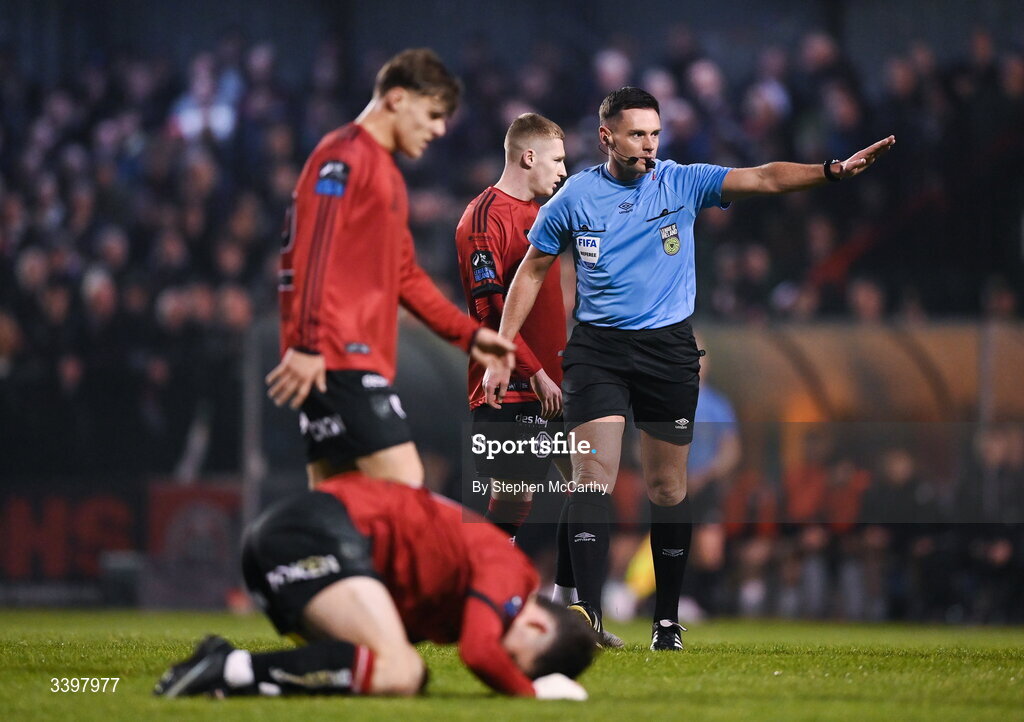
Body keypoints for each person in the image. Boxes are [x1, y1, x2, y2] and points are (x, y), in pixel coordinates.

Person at [489, 86, 894, 650]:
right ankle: (588, 613)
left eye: (655, 133)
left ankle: (666, 621)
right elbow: (531, 271)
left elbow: (766, 177)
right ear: (606, 137)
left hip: (668, 351)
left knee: (667, 487)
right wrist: (501, 349)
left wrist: (831, 171)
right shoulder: (576, 195)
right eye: (636, 134)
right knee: (592, 478)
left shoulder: (681, 180)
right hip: (598, 350)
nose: (649, 145)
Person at [265, 49, 515, 489]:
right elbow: (314, 248)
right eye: (434, 114)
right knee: (402, 487)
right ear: (398, 98)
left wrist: (470, 336)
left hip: (342, 356)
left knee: (342, 503)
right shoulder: (345, 157)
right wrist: (305, 343)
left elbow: (406, 278)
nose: (438, 130)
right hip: (336, 355)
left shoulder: (384, 173)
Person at [154, 471, 596, 700]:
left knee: (405, 672)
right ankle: (230, 668)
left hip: (296, 541)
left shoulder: (461, 599)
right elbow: (479, 652)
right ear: (537, 626)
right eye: (513, 657)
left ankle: (222, 670)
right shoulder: (513, 572)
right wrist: (532, 694)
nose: (500, 655)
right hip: (314, 531)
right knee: (399, 671)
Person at [455, 112, 570, 543]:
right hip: (516, 386)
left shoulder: (542, 213)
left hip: (556, 384)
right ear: (528, 157)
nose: (563, 171)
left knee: (591, 488)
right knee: (514, 501)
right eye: (556, 160)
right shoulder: (484, 217)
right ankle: (478, 590)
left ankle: (573, 603)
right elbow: (490, 308)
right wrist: (535, 372)